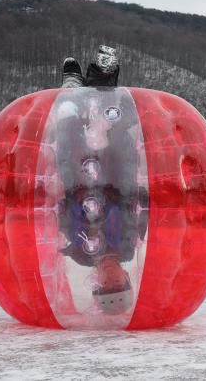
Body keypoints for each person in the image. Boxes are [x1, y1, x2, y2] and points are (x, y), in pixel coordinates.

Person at [57, 45, 139, 315]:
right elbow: (134, 210)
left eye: (105, 285)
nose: (109, 279)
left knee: (68, 133)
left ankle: (72, 94)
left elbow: (64, 218)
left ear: (96, 283)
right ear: (125, 277)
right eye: (117, 283)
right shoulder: (128, 246)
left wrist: (73, 201)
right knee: (116, 132)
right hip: (114, 180)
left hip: (78, 184)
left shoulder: (81, 254)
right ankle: (102, 82)